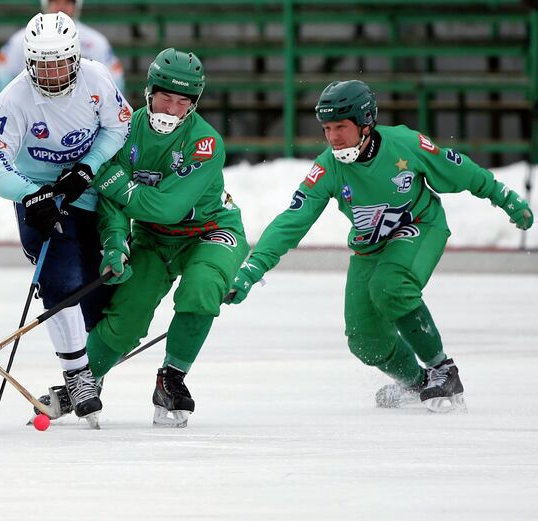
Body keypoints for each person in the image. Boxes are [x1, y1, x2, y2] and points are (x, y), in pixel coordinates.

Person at [227, 80, 534, 413]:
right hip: (370, 247)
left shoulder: (405, 144)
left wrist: (505, 198)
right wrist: (252, 267)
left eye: (341, 127)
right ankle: (417, 383)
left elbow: (459, 170)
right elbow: (292, 220)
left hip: (419, 228)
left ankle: (442, 370)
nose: (332, 138)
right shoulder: (327, 167)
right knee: (364, 341)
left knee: (390, 286)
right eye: (327, 128)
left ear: (366, 123)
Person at [39, 48, 249, 428]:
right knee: (127, 316)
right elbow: (114, 206)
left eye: (181, 102)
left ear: (193, 105)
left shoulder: (206, 142)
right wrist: (117, 242)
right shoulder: (125, 127)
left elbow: (167, 206)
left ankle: (171, 378)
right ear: (149, 93)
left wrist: (116, 183)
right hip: (152, 237)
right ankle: (86, 382)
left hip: (211, 231)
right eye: (164, 98)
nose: (170, 109)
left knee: (201, 290)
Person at [0, 12, 132, 427]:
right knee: (61, 279)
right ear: (28, 62)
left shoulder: (98, 80)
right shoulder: (14, 99)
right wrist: (33, 193)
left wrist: (88, 166)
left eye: (60, 63)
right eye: (42, 64)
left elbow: (119, 126)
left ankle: (90, 369)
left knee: (101, 287)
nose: (52, 73)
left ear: (75, 58)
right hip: (39, 196)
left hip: (88, 189)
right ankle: (77, 376)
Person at [0, 0, 125, 98]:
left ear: (76, 5)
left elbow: (115, 79)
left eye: (67, 2)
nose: (61, 7)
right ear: (46, 4)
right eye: (55, 1)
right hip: (34, 114)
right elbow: (1, 75)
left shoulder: (96, 42)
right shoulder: (20, 40)